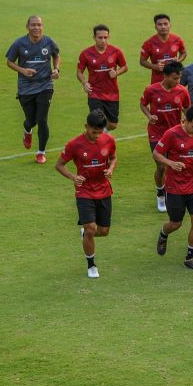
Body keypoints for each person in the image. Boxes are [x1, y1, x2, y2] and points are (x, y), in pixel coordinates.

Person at [55, 109, 117, 278]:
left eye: (100, 132)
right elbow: (59, 165)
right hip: (84, 191)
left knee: (103, 231)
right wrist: (73, 177)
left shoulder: (109, 140)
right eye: (93, 132)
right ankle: (91, 265)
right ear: (86, 126)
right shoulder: (74, 144)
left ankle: (86, 234)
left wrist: (111, 169)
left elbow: (113, 157)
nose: (97, 135)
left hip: (104, 190)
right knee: (91, 228)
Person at [153, 105, 193, 270]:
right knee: (175, 223)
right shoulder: (171, 134)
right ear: (185, 120)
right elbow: (156, 153)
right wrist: (171, 163)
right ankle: (164, 233)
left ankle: (190, 257)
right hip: (175, 187)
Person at [6, 15, 61, 163]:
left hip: (45, 86)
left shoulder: (49, 42)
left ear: (42, 26)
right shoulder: (19, 43)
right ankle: (27, 129)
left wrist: (56, 69)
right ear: (27, 27)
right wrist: (23, 70)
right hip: (25, 88)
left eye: (39, 25)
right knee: (31, 121)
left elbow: (56, 56)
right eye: (33, 25)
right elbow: (10, 62)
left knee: (42, 119)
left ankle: (41, 152)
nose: (36, 28)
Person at [140, 61, 191, 213]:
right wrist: (149, 116)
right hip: (157, 133)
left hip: (176, 133)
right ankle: (160, 192)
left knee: (177, 166)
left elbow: (187, 108)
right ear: (165, 76)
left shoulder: (182, 91)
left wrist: (187, 120)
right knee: (162, 166)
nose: (178, 81)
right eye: (175, 78)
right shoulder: (151, 90)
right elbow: (143, 104)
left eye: (179, 77)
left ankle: (176, 193)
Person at [76, 24, 127, 132]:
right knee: (98, 121)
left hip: (112, 93)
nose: (103, 40)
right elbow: (79, 72)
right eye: (100, 37)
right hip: (94, 93)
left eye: (105, 37)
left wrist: (116, 73)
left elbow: (124, 67)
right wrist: (84, 83)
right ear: (94, 37)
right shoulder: (86, 53)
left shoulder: (116, 51)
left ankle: (102, 132)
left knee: (113, 124)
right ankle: (94, 137)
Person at [140, 14, 186, 85]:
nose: (163, 27)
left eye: (165, 24)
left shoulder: (177, 40)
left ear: (170, 25)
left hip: (174, 79)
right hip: (157, 81)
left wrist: (178, 61)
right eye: (160, 24)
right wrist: (155, 67)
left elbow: (183, 53)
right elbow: (142, 61)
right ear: (155, 27)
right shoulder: (149, 43)